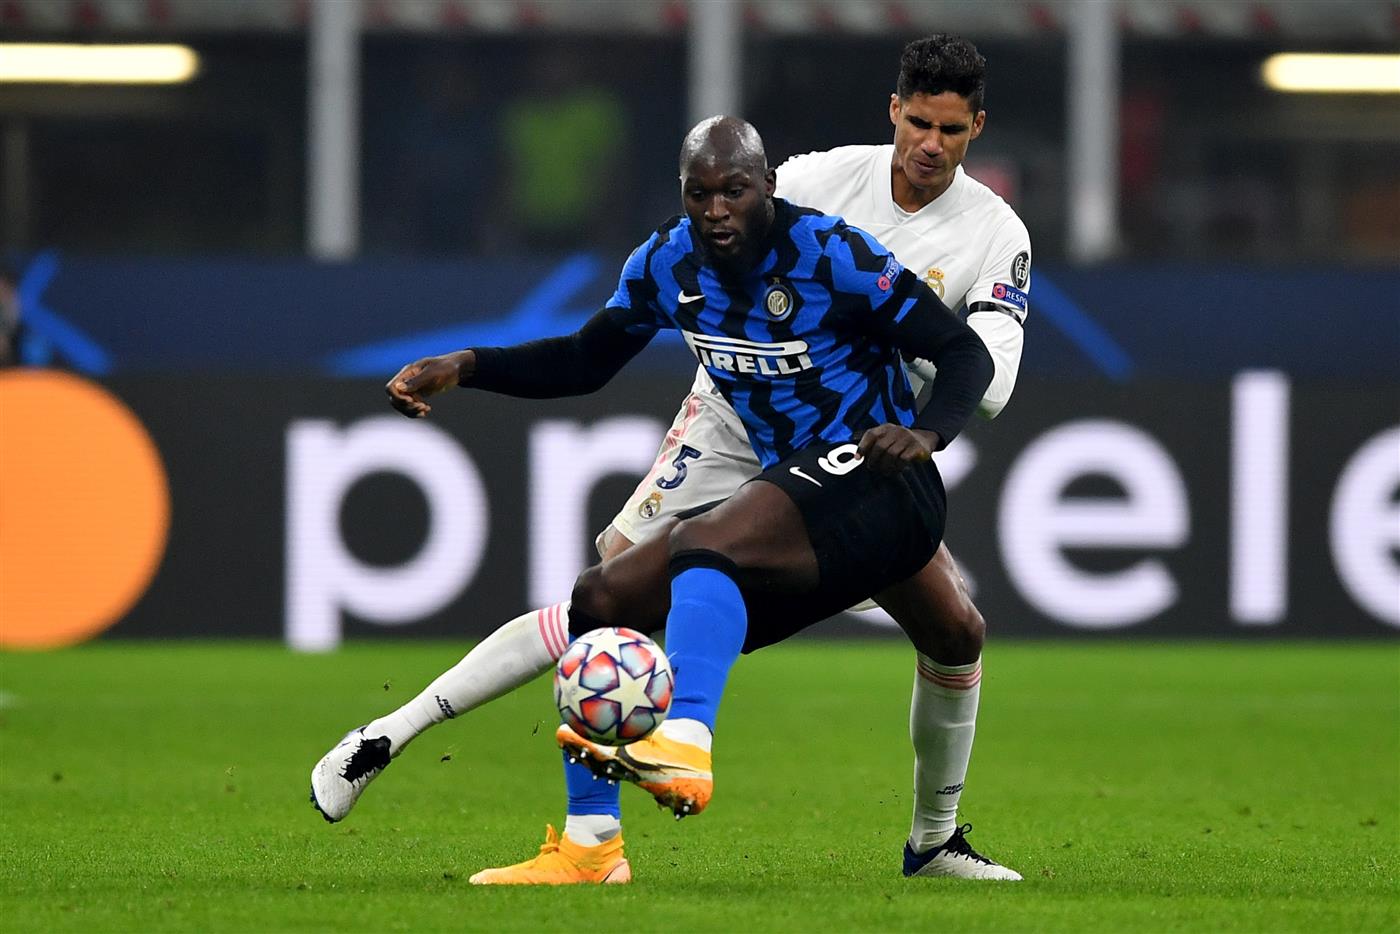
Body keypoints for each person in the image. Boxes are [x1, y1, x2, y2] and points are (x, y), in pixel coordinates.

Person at [312, 35, 1028, 882]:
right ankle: (565, 832)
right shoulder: (786, 193)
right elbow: (587, 357)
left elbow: (980, 375)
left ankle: (903, 828)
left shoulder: (959, 235)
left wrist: (927, 427)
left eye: (950, 129)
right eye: (918, 122)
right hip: (735, 417)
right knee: (606, 597)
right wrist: (469, 364)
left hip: (863, 450)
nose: (930, 144)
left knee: (948, 627)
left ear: (975, 127)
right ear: (894, 113)